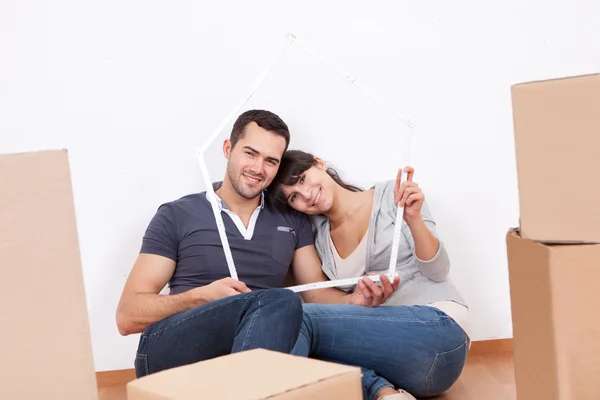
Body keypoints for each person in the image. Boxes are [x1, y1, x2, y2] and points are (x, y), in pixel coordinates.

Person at [116, 110, 399, 378]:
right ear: (228, 149)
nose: (257, 168)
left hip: (252, 347)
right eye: (250, 153)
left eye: (270, 161)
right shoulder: (177, 215)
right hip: (173, 347)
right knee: (281, 300)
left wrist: (354, 300)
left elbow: (315, 292)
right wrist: (199, 297)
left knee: (291, 310)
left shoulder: (292, 219)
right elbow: (127, 316)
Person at [267, 150, 470, 400]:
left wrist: (414, 220)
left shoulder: (391, 197)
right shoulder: (318, 238)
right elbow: (316, 294)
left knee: (296, 317)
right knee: (305, 341)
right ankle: (385, 393)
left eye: (302, 179)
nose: (307, 195)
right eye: (294, 198)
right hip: (409, 370)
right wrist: (353, 301)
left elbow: (438, 271)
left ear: (319, 163)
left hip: (440, 327)